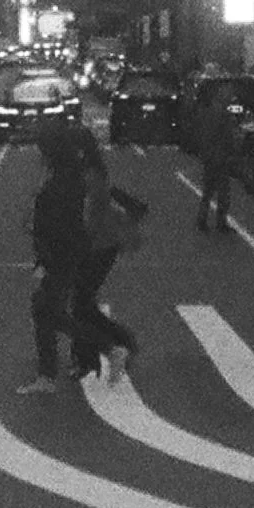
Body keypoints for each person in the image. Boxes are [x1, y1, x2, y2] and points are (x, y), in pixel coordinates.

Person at [69, 127, 142, 385]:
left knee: (80, 304)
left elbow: (90, 215)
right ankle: (106, 349)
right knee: (82, 303)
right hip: (99, 245)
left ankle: (113, 346)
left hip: (98, 247)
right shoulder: (90, 172)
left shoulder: (90, 176)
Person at [19, 130, 89, 393]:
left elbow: (54, 227)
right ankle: (105, 345)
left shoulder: (58, 186)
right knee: (49, 310)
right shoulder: (66, 180)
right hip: (66, 255)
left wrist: (45, 262)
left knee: (45, 309)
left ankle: (47, 376)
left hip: (59, 257)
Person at [196, 90, 240, 233]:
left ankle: (202, 220)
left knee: (207, 191)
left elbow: (202, 134)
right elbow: (228, 136)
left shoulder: (206, 113)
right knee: (223, 192)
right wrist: (231, 151)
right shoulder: (223, 115)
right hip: (220, 157)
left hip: (210, 156)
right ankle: (220, 222)